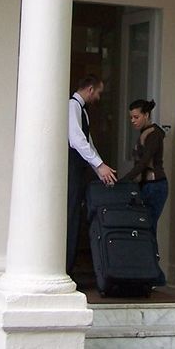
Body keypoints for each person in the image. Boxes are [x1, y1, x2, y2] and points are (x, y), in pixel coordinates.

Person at [67, 74, 117, 276]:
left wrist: (100, 168)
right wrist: (99, 165)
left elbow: (88, 142)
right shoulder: (73, 106)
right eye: (98, 92)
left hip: (79, 170)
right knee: (70, 216)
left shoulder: (82, 111)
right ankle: (66, 268)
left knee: (75, 215)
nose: (98, 97)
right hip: (72, 169)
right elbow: (77, 140)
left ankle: (69, 265)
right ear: (90, 89)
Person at [120, 98, 168, 286]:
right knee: (146, 230)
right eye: (131, 117)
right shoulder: (146, 133)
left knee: (148, 230)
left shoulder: (153, 134)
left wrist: (124, 180)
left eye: (136, 117)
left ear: (146, 115)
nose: (133, 120)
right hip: (148, 187)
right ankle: (152, 274)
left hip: (155, 186)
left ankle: (155, 275)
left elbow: (143, 162)